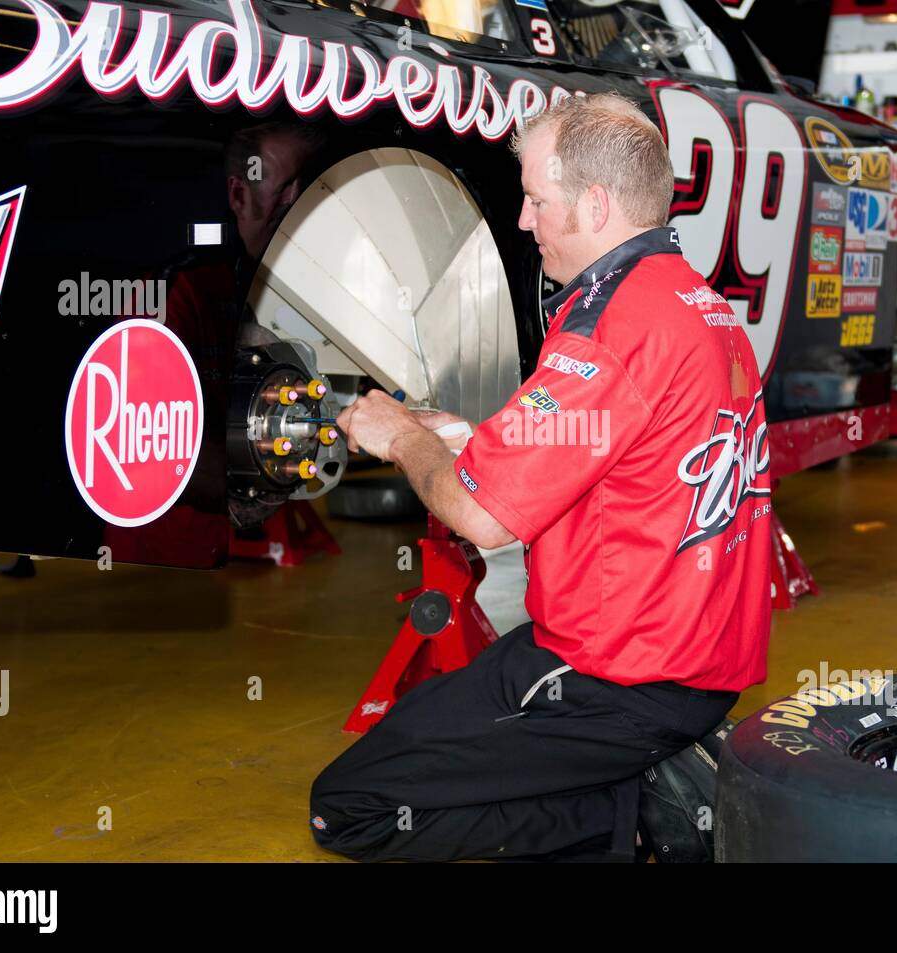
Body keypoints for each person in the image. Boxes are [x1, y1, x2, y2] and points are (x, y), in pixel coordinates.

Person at [310, 92, 773, 862]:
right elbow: (615, 458)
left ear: (594, 204)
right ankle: (634, 789)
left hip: (612, 678)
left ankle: (621, 821)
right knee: (446, 725)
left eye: (535, 199)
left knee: (350, 806)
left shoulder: (608, 328)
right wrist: (460, 438)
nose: (523, 221)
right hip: (700, 662)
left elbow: (481, 518)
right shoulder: (698, 304)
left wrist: (398, 439)